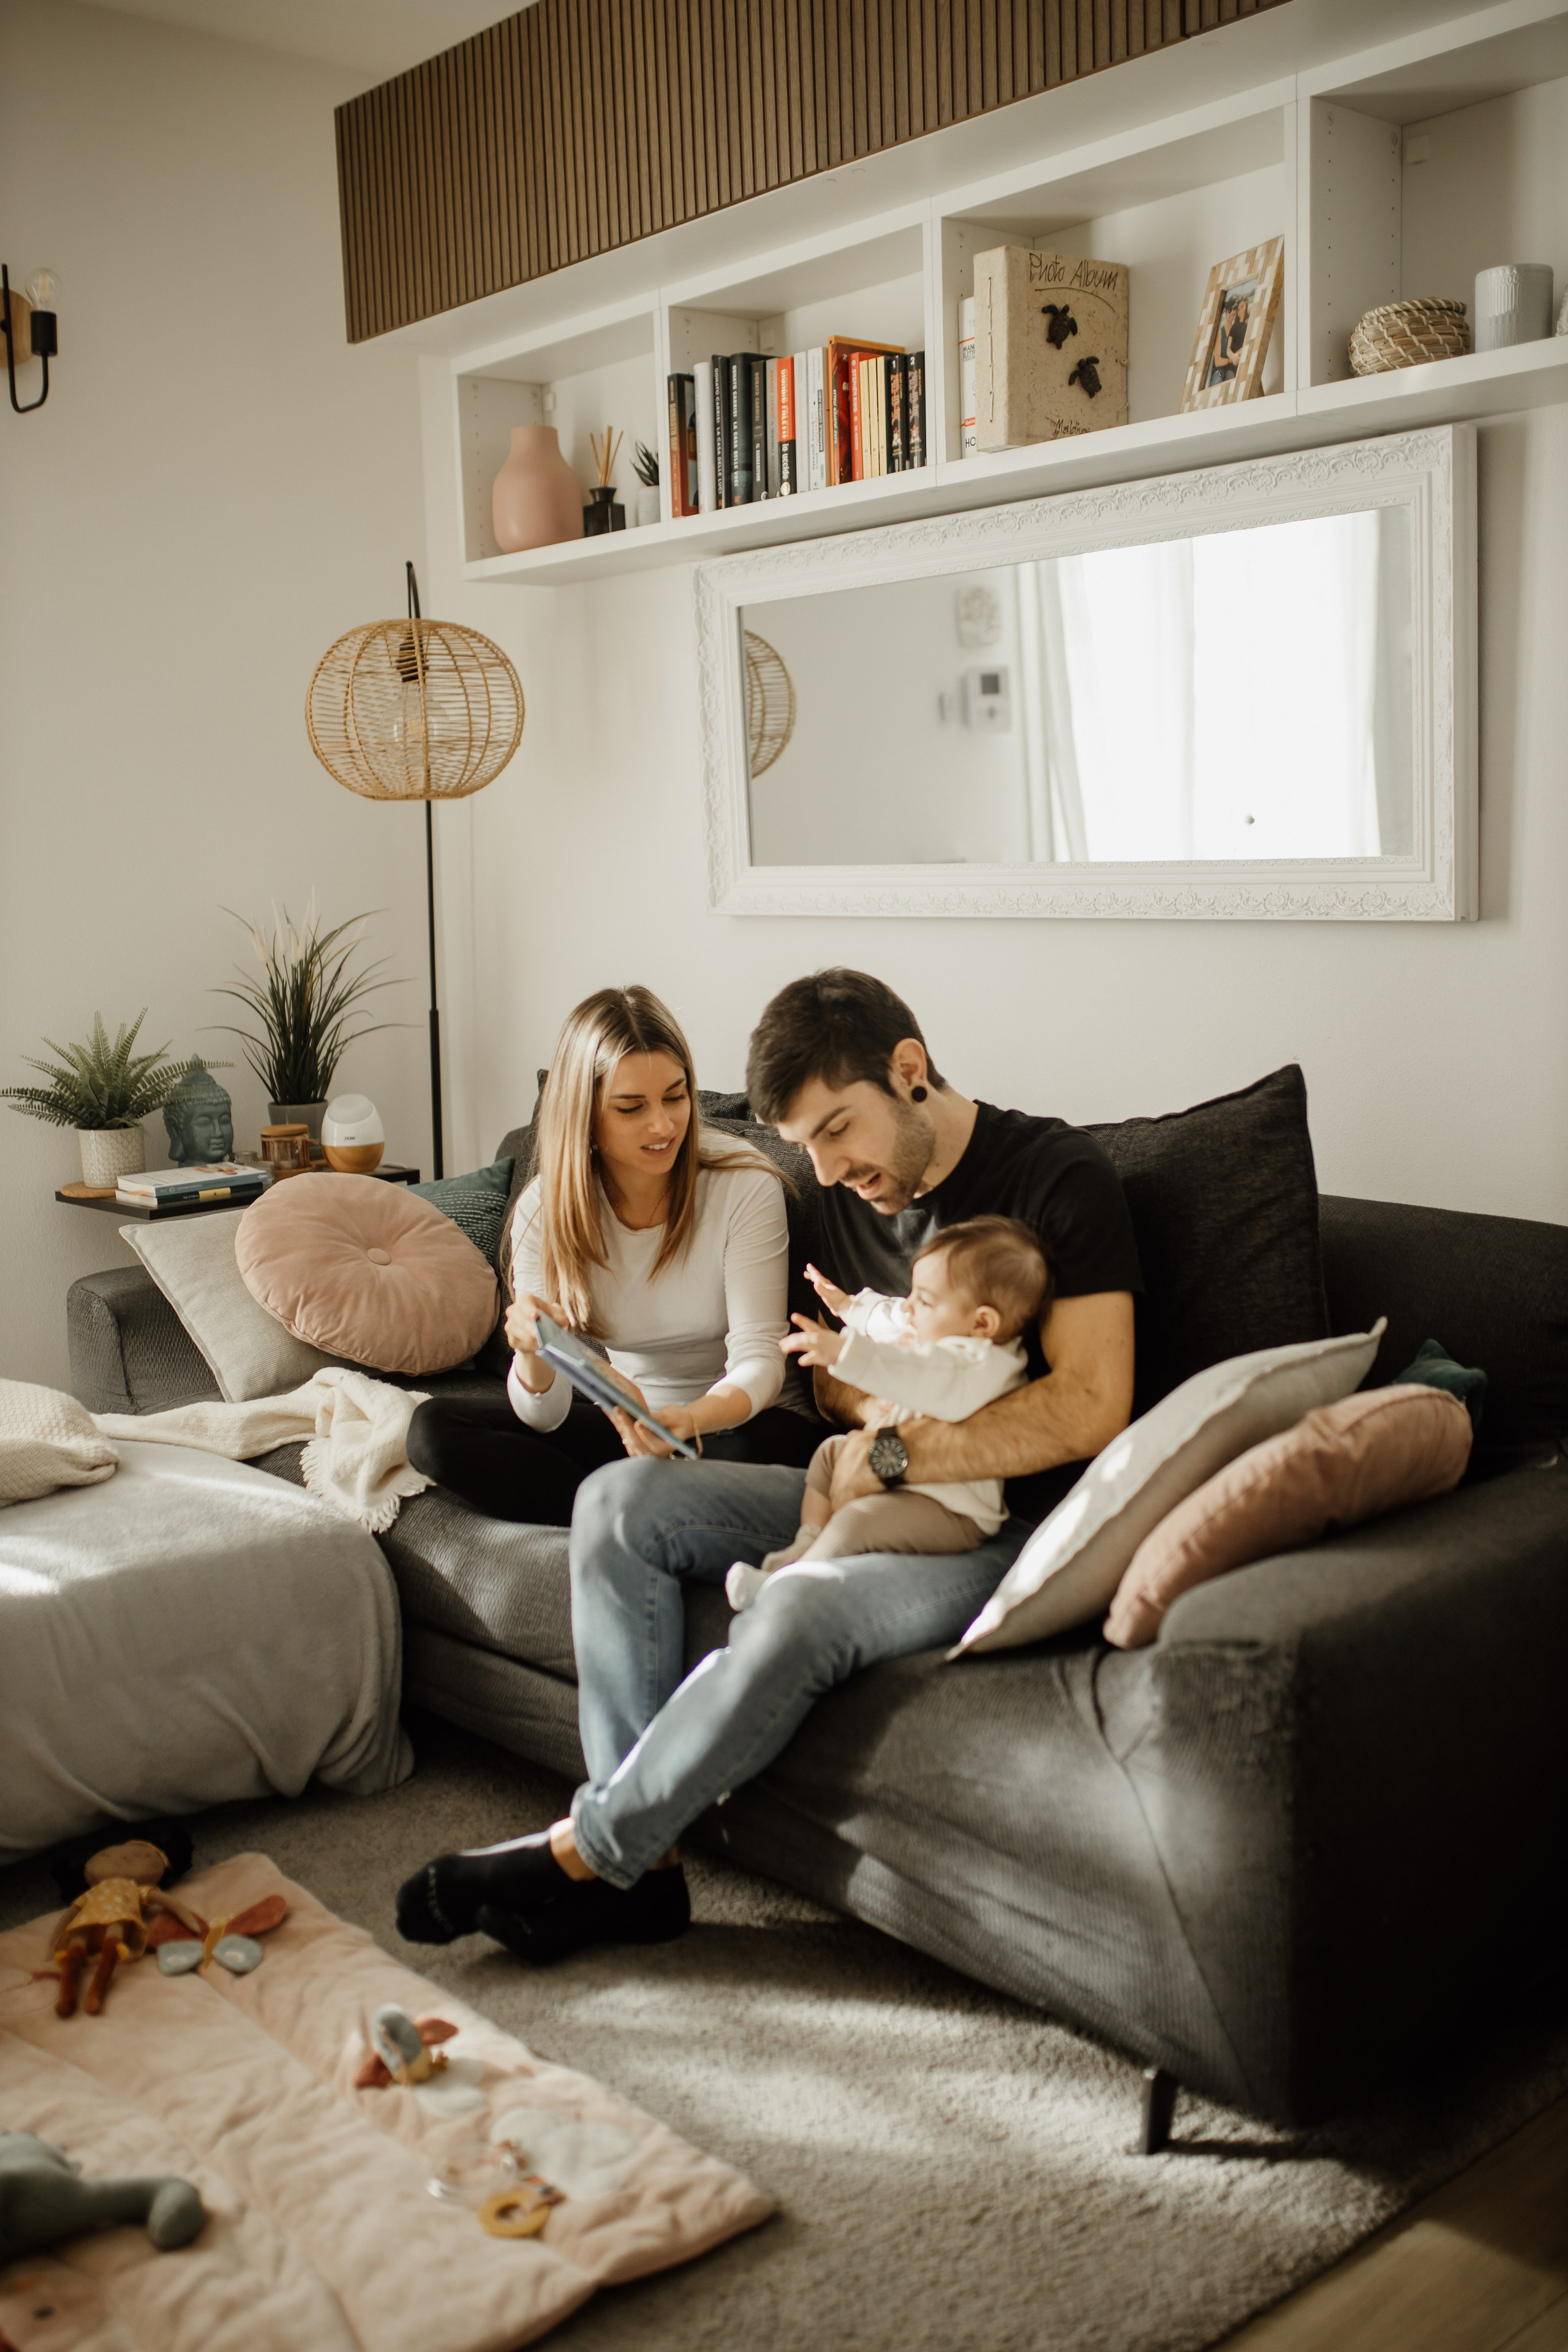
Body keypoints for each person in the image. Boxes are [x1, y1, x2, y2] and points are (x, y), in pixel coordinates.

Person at [396, 969, 1141, 1962]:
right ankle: (645, 1879)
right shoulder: (852, 1196)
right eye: (805, 1146)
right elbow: (827, 1387)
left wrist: (895, 1445)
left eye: (838, 1132)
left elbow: (1092, 1403)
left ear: (908, 1071)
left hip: (1002, 1524)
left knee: (799, 1604)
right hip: (867, 1480)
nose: (827, 1173)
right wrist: (868, 1409)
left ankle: (594, 1847)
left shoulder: (1057, 1180)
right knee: (618, 1501)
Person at [404, 984, 818, 1528]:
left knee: (741, 1453)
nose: (664, 1125)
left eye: (676, 1096)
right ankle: (641, 1513)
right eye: (632, 1108)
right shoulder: (544, 1211)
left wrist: (682, 1423)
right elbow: (544, 1417)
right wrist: (533, 1353)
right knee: (434, 1430)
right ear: (587, 1119)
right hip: (633, 1426)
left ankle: (627, 1510)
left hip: (742, 1423)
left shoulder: (742, 1184)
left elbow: (760, 1363)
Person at [725, 1216, 1050, 1610]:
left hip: (950, 1509)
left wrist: (845, 1353)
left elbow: (915, 1370)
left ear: (982, 1322)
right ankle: (808, 1540)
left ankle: (782, 1589)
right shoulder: (934, 1327)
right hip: (902, 1477)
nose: (910, 1306)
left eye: (926, 1300)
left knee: (857, 1522)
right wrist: (850, 1307)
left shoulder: (981, 1364)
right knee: (831, 1453)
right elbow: (892, 1315)